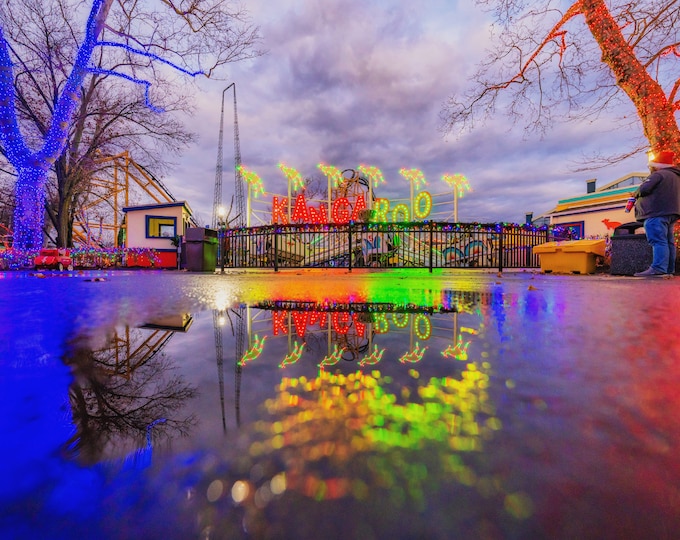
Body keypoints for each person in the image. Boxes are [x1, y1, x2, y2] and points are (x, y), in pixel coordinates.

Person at [632, 150, 680, 277]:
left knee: (658, 241)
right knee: (668, 242)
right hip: (670, 212)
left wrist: (635, 194)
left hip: (655, 212)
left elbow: (644, 189)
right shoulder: (675, 176)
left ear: (658, 164)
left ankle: (658, 268)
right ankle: (668, 269)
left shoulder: (658, 175)